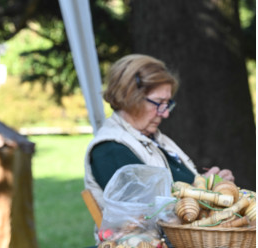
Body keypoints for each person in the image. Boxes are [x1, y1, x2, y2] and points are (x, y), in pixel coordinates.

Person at [84, 54, 234, 212]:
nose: (165, 113)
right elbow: (145, 211)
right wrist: (202, 193)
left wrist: (216, 185)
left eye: (167, 103)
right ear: (130, 97)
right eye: (158, 103)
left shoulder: (157, 139)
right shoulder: (110, 149)